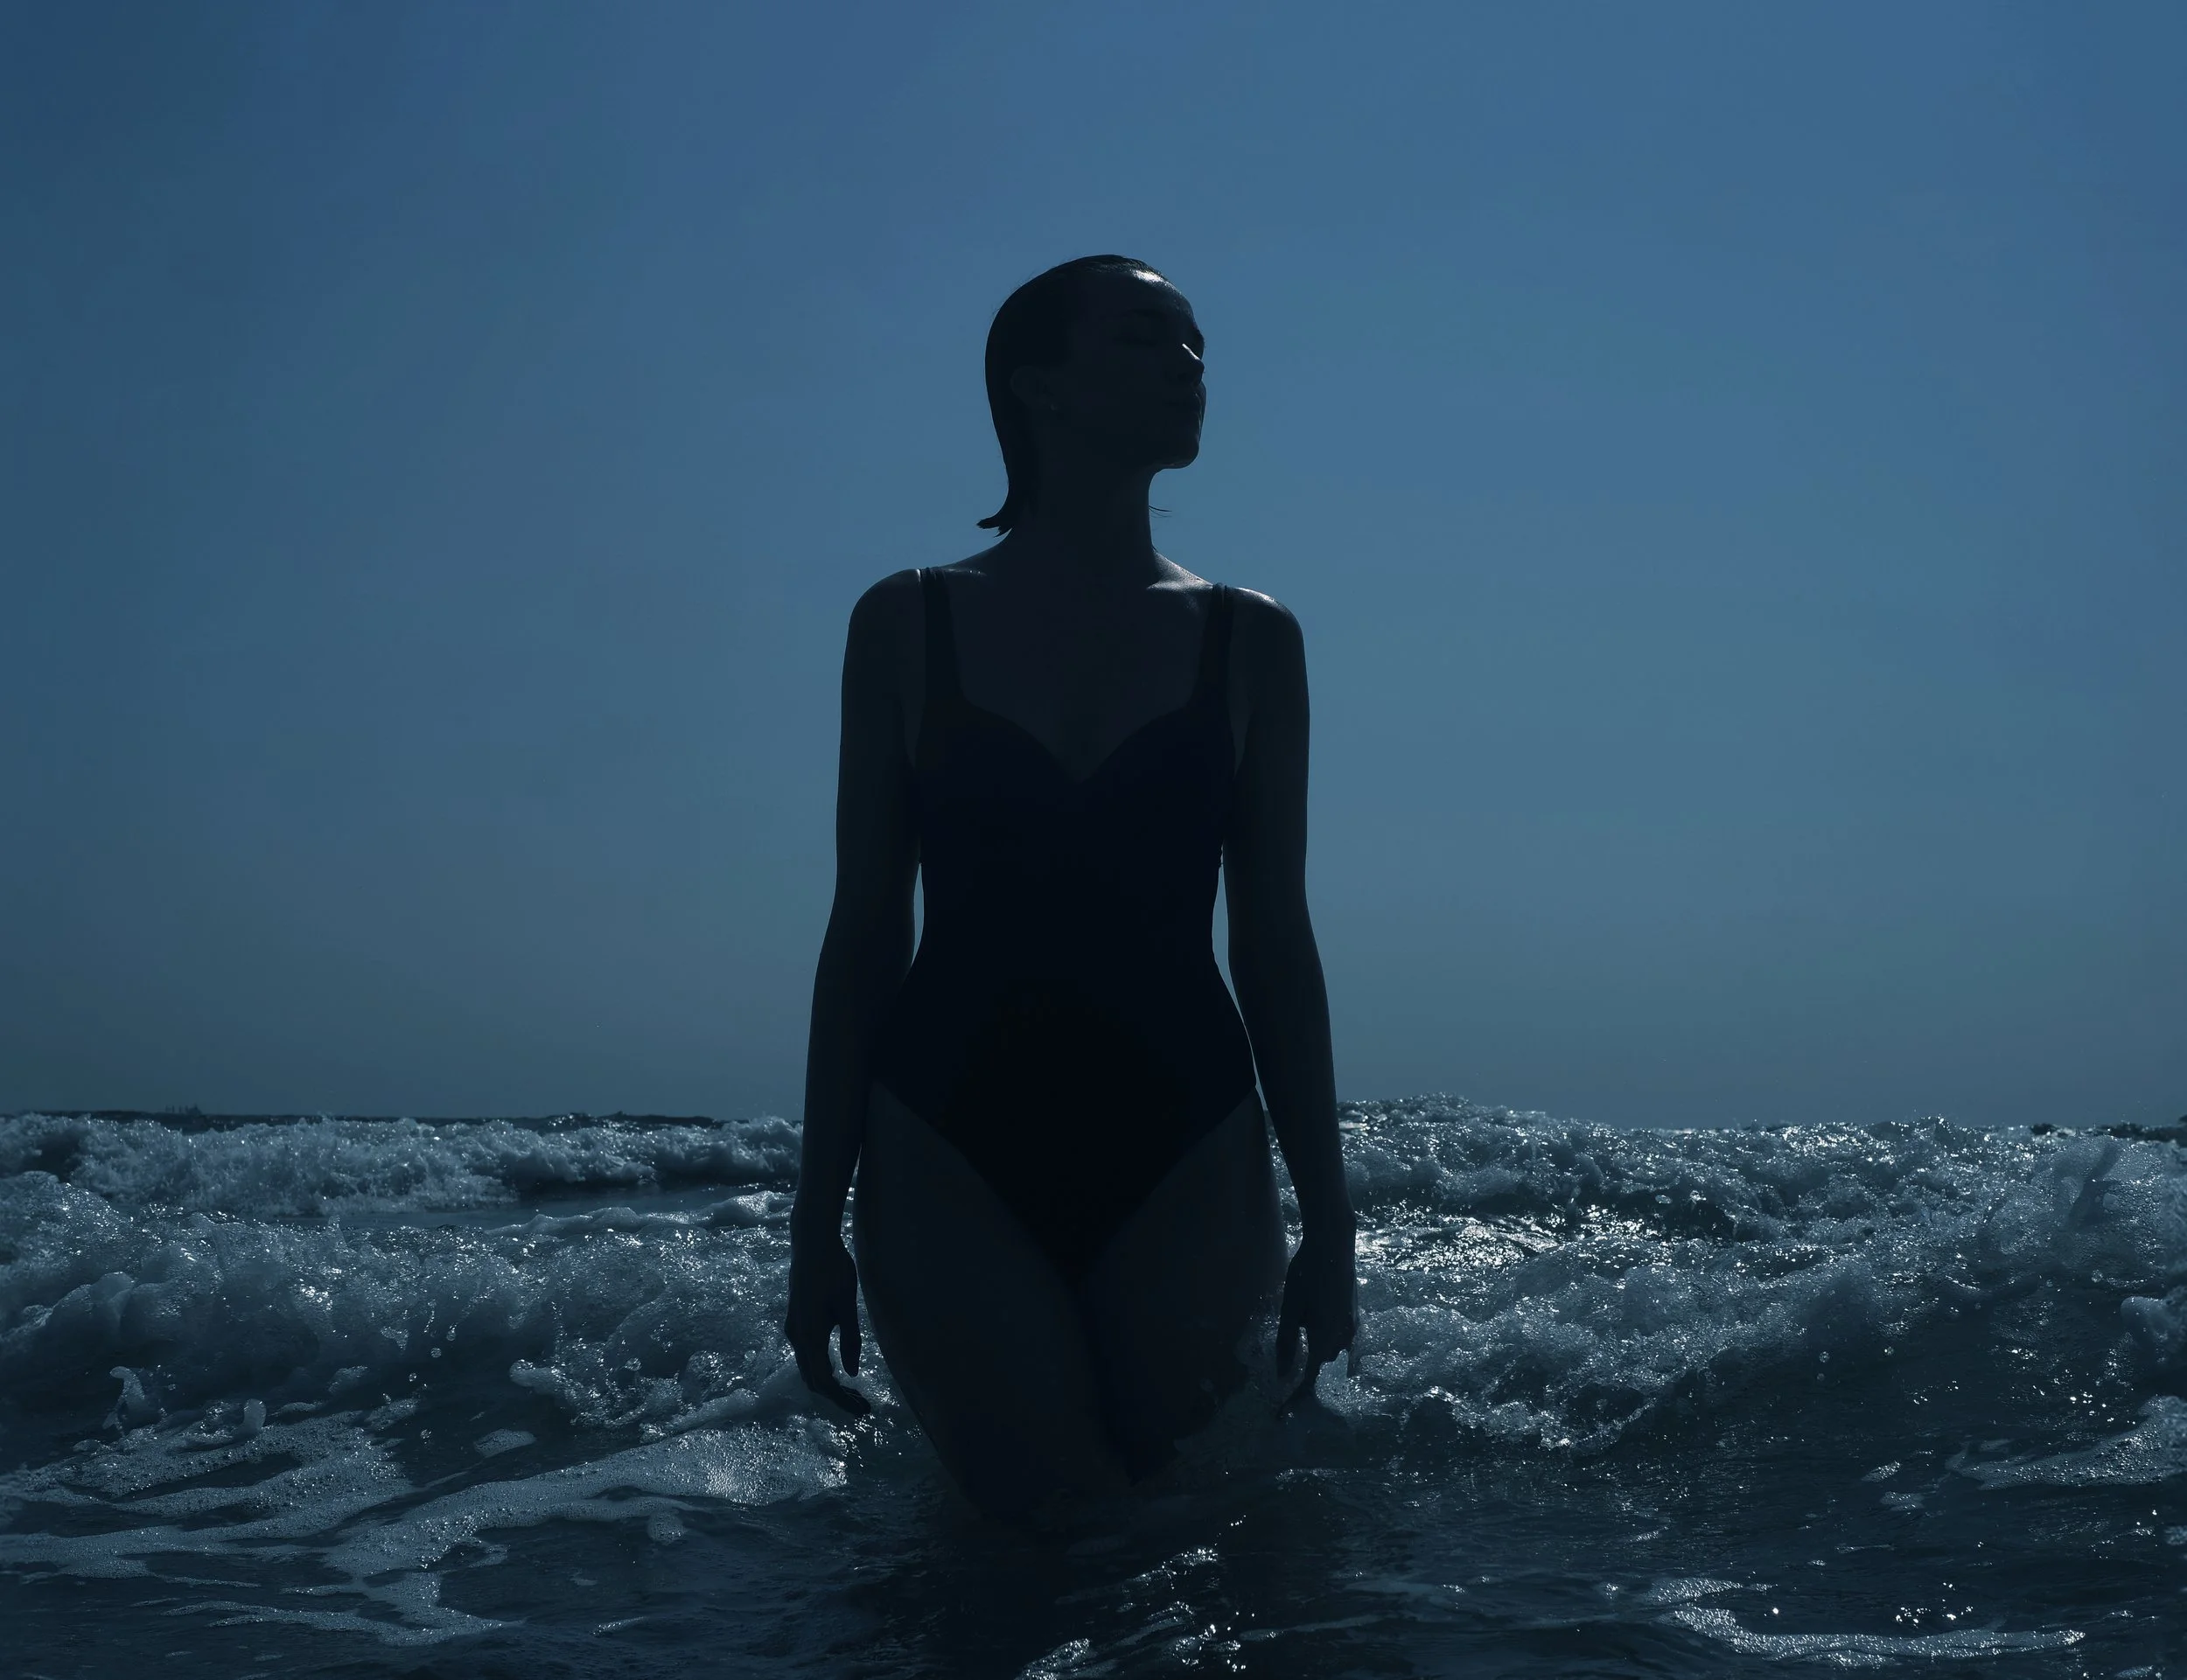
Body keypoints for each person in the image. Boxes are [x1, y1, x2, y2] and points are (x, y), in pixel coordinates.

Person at [784, 254, 1356, 1518]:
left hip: (1189, 1134)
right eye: (1148, 338)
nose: (1189, 365)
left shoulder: (1250, 639)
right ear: (1034, 384)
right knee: (1036, 1544)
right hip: (948, 1139)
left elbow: (1276, 943)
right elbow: (865, 935)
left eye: (1198, 344)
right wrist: (813, 1222)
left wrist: (1331, 1217)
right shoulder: (907, 622)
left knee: (1169, 1547)